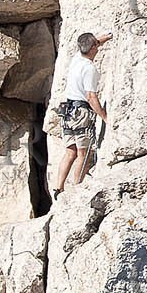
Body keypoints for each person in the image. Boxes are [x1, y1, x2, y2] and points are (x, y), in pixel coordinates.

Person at [51, 31, 112, 195]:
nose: (97, 47)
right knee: (83, 153)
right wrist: (105, 117)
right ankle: (77, 189)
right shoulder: (89, 69)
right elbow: (91, 97)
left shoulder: (77, 59)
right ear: (93, 48)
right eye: (96, 45)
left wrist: (106, 37)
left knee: (70, 151)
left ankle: (58, 187)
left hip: (67, 112)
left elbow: (93, 43)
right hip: (81, 113)